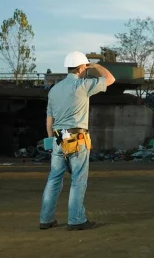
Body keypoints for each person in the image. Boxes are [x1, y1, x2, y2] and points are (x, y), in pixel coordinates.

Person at [39, 51, 115, 231]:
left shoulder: (54, 90)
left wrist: (51, 141)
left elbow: (49, 120)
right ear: (82, 67)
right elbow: (110, 79)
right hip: (77, 138)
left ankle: (46, 219)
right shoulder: (83, 85)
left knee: (54, 179)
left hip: (58, 138)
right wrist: (95, 66)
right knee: (78, 180)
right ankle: (76, 220)